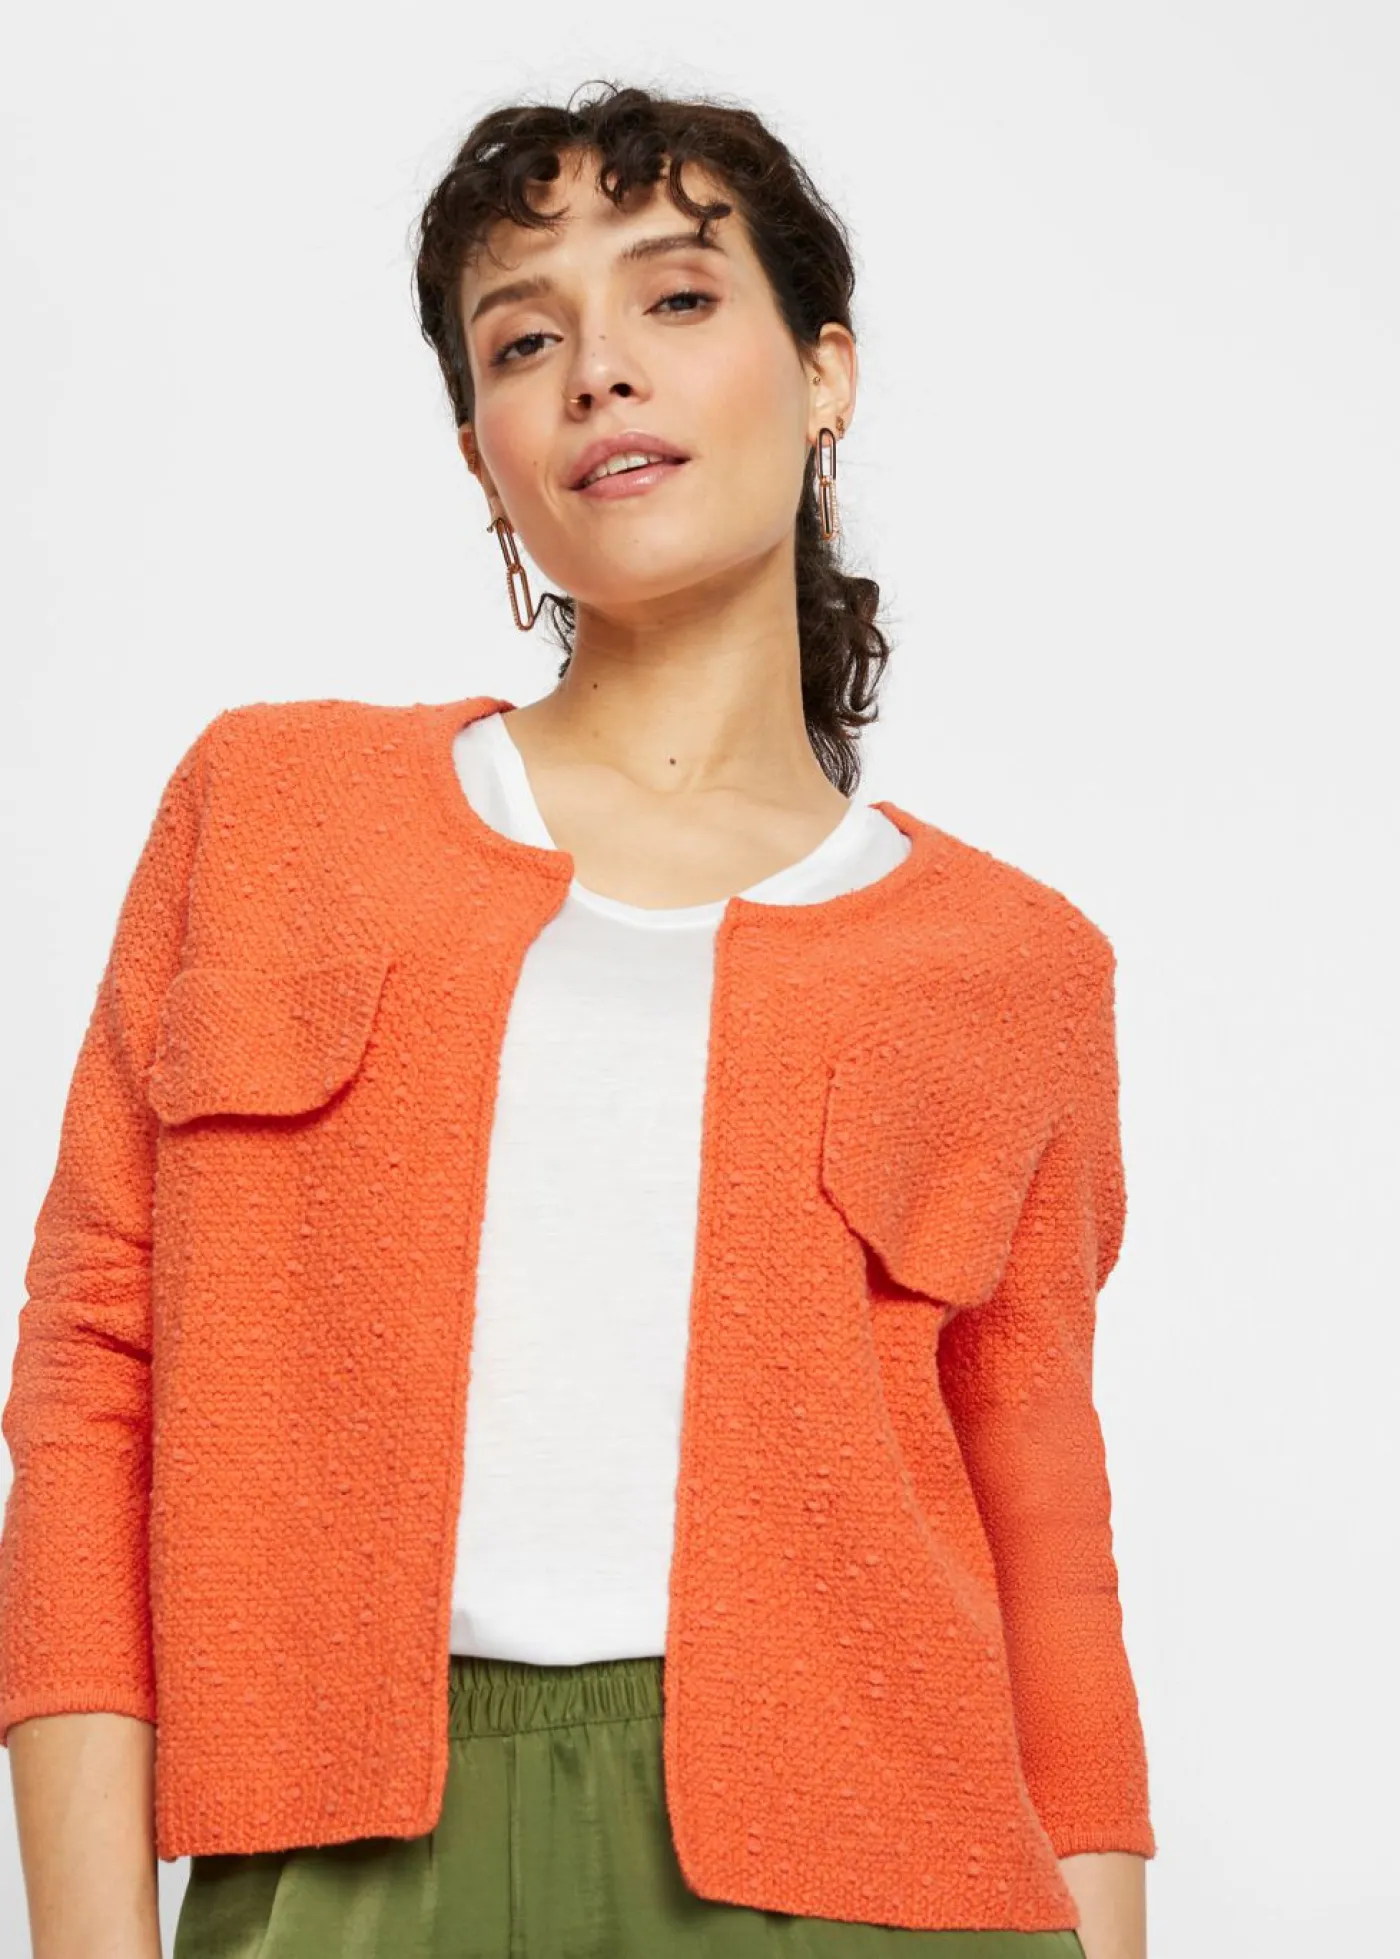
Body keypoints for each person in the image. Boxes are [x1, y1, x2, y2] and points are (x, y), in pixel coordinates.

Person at [0, 81, 1154, 1959]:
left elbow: (1046, 1533)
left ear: (827, 373)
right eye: (525, 340)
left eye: (677, 298)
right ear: (486, 455)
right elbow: (89, 1391)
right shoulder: (272, 815)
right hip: (353, 1868)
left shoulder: (1013, 967)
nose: (600, 368)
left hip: (884, 1872)